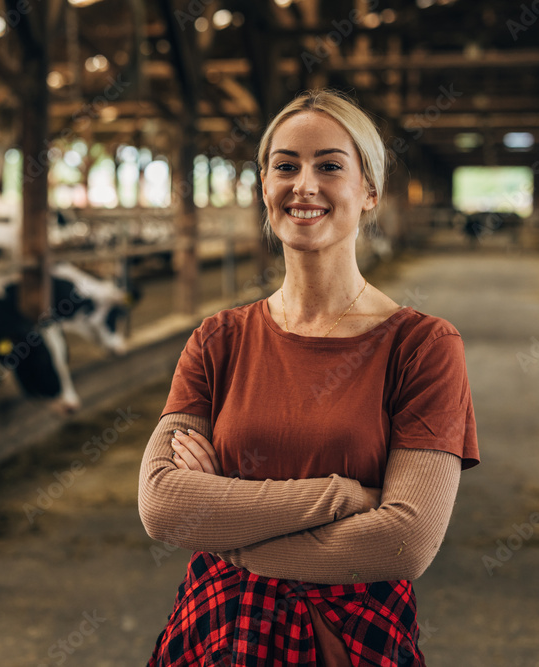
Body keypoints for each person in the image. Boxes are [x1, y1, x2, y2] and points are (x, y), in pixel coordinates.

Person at [137, 89, 480, 666]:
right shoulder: (218, 340)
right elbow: (164, 504)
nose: (305, 185)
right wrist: (341, 497)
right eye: (286, 166)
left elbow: (404, 541)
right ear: (264, 187)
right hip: (217, 629)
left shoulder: (423, 347)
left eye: (329, 166)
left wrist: (228, 526)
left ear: (369, 191)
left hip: (348, 639)